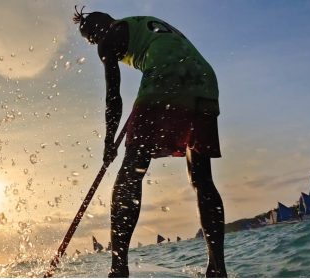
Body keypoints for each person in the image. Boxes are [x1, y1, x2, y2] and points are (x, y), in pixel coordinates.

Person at [73, 6, 226, 278]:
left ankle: (118, 270)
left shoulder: (109, 37)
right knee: (202, 179)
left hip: (165, 76)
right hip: (204, 79)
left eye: (91, 39)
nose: (96, 45)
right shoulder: (140, 23)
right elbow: (172, 49)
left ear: (98, 28)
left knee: (131, 170)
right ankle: (217, 269)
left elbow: (113, 97)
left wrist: (110, 142)